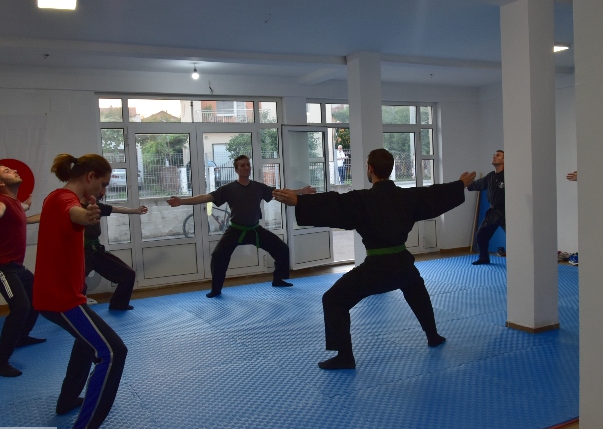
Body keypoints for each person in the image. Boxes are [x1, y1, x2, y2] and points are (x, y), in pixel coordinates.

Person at [273, 148, 475, 370]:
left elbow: (335, 203)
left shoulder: (362, 200)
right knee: (416, 288)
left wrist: (300, 202)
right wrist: (459, 185)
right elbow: (434, 194)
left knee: (333, 300)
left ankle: (345, 356)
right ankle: (433, 336)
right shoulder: (407, 196)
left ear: (370, 168)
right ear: (391, 169)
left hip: (378, 268)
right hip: (403, 263)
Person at [33, 154, 127, 429]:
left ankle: (67, 401)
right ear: (90, 177)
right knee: (113, 352)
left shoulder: (56, 197)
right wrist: (87, 216)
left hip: (61, 296)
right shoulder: (65, 200)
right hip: (60, 299)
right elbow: (74, 213)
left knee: (86, 344)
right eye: (103, 184)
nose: (103, 191)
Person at [168, 155, 314, 298]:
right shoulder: (228, 189)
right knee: (218, 256)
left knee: (282, 249)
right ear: (236, 170)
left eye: (248, 165)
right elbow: (206, 197)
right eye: (242, 165)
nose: (246, 167)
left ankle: (278, 279)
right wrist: (182, 201)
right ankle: (216, 289)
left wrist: (301, 191)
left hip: (255, 230)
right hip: (235, 230)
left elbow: (280, 193)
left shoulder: (258, 187)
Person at [0, 164, 45, 377]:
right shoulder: (0, 202)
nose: (14, 171)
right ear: (0, 183)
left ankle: (21, 337)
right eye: (7, 171)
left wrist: (28, 205)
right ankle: (1, 363)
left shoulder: (15, 203)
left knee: (37, 297)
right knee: (20, 307)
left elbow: (22, 209)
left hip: (16, 267)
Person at [82, 200, 147, 310]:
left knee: (128, 275)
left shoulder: (97, 206)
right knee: (77, 285)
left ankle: (119, 304)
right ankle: (76, 309)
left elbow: (116, 209)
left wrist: (136, 210)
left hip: (96, 250)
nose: (101, 193)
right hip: (80, 252)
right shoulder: (73, 207)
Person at [467, 150, 505, 265]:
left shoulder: (509, 175)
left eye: (498, 155)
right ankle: (484, 258)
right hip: (493, 211)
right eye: (494, 155)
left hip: (506, 211)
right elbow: (478, 184)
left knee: (516, 235)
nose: (494, 156)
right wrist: (464, 184)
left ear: (504, 160)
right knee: (481, 234)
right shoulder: (491, 176)